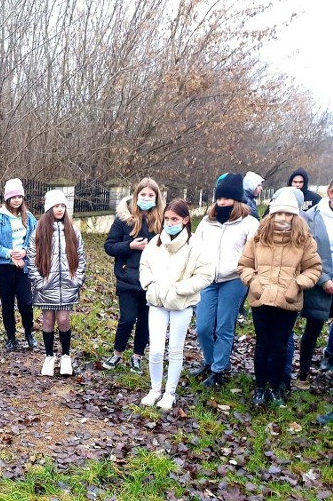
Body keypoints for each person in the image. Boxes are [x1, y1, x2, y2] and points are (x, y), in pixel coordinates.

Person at [238, 187, 321, 406]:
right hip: (261, 298)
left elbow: (313, 269)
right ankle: (259, 387)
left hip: (288, 300)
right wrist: (253, 281)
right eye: (279, 213)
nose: (283, 218)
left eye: (288, 214)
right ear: (272, 214)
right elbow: (244, 265)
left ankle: (275, 388)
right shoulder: (258, 238)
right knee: (263, 345)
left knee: (280, 345)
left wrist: (298, 284)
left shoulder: (304, 240)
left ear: (295, 216)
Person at [138, 199, 214, 410]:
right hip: (157, 302)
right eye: (167, 219)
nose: (170, 223)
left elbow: (206, 275)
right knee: (155, 350)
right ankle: (154, 389)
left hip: (181, 304)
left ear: (185, 220)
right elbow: (144, 266)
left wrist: (180, 289)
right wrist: (150, 285)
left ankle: (169, 392)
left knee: (175, 349)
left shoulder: (196, 245)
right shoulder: (155, 243)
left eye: (175, 219)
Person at [191, 173, 259, 387]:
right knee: (202, 326)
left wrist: (244, 273)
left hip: (233, 280)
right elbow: (196, 247)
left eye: (227, 198)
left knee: (224, 327)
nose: (222, 202)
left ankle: (219, 370)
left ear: (236, 199)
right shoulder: (206, 221)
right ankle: (211, 361)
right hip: (208, 279)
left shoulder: (249, 223)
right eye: (219, 198)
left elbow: (253, 253)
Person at [103, 178, 165, 373]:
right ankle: (117, 353)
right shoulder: (123, 219)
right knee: (127, 319)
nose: (146, 198)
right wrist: (130, 246)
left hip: (151, 281)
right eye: (143, 195)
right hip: (127, 278)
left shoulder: (163, 220)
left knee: (145, 321)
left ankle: (137, 357)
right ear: (136, 195)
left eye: (150, 195)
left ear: (156, 198)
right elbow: (109, 246)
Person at [27, 190, 86, 376]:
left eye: (62, 206)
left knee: (63, 320)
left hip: (67, 285)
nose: (60, 209)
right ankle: (49, 356)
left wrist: (77, 280)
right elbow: (31, 258)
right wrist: (39, 282)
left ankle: (66, 356)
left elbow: (81, 257)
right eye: (56, 206)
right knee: (48, 320)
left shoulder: (73, 230)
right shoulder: (39, 231)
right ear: (49, 208)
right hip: (46, 286)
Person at [0, 178, 38, 351]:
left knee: (25, 303)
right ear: (7, 198)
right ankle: (11, 338)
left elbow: (37, 239)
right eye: (13, 196)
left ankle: (29, 333)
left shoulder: (29, 218)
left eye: (19, 196)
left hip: (23, 266)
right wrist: (9, 255)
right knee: (7, 304)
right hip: (4, 268)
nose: (16, 200)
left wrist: (24, 251)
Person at [294, 178, 333, 389]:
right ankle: (303, 373)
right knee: (313, 330)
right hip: (320, 284)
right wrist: (324, 279)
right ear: (330, 193)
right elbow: (306, 254)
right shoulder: (310, 218)